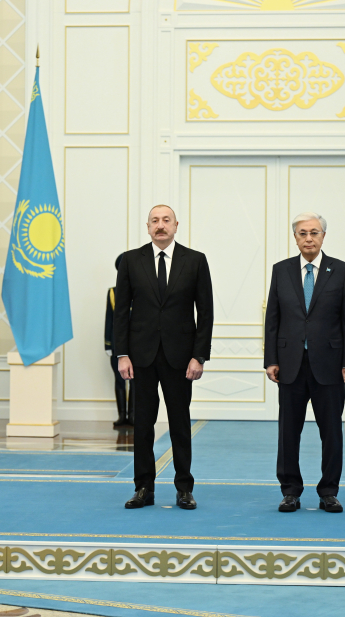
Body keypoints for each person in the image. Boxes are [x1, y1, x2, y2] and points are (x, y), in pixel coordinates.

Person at [114, 205, 213, 510]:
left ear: (176, 225)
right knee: (142, 425)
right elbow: (121, 313)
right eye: (155, 221)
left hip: (180, 358)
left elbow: (205, 313)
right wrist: (122, 354)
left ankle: (184, 488)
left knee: (180, 423)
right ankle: (143, 488)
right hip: (141, 356)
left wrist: (199, 357)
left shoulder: (195, 261)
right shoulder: (131, 261)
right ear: (147, 227)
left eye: (165, 220)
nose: (160, 225)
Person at [264, 212, 345, 514]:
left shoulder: (341, 271)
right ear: (295, 237)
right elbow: (273, 319)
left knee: (330, 431)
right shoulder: (281, 271)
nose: (308, 238)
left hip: (329, 365)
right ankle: (290, 491)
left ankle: (328, 491)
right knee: (288, 432)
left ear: (323, 237)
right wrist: (271, 359)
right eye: (302, 233)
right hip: (290, 364)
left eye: (314, 233)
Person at [105, 253, 134, 428]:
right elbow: (110, 319)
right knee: (119, 380)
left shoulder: (141, 290)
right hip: (118, 345)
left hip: (138, 345)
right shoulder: (113, 292)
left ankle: (133, 416)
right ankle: (121, 415)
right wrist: (108, 343)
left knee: (136, 382)